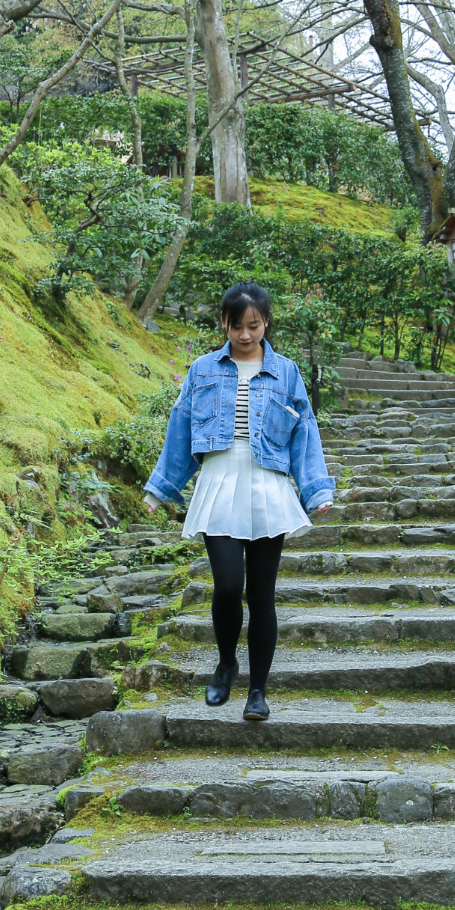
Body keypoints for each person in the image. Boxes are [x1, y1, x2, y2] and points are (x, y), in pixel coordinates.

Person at [143, 281, 335, 719]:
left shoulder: (286, 372)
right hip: (219, 480)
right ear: (224, 325)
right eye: (236, 326)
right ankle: (227, 663)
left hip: (267, 485)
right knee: (228, 585)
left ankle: (258, 692)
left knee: (262, 593)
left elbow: (305, 433)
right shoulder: (203, 369)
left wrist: (315, 489)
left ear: (266, 322)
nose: (245, 335)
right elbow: (180, 427)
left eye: (253, 325)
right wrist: (162, 487)